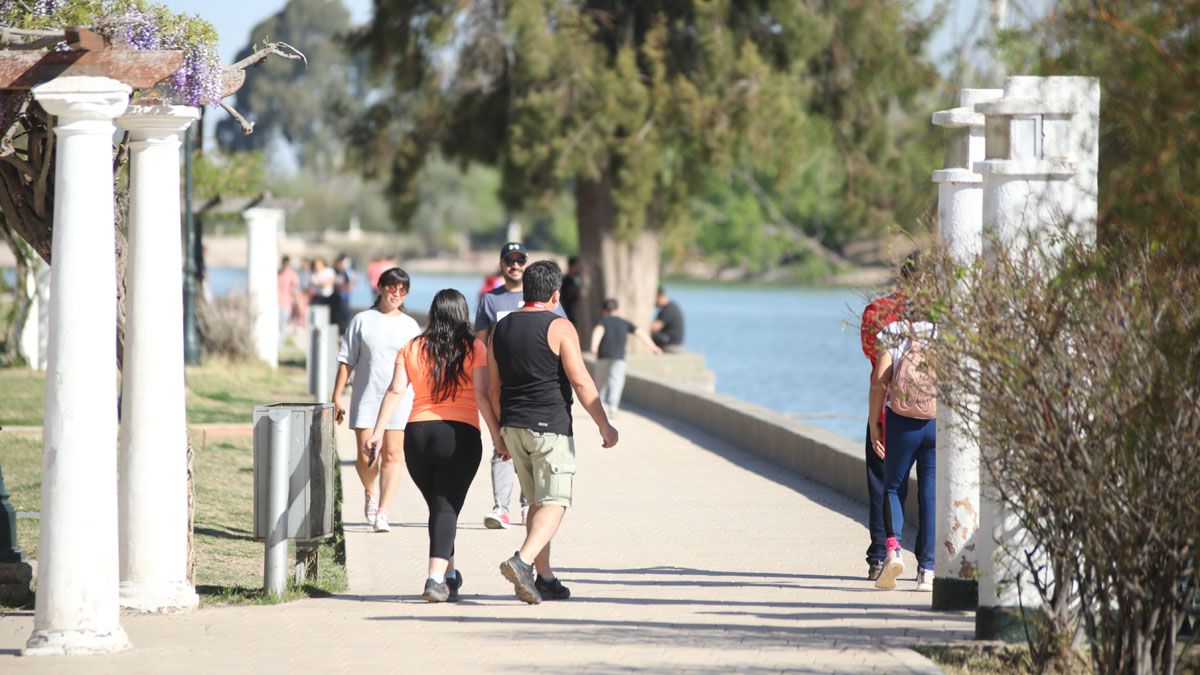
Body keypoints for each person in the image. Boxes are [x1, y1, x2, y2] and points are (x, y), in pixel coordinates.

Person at [488, 260, 618, 604]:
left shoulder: (501, 327)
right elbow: (579, 380)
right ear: (556, 294)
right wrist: (604, 424)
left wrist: (499, 433)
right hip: (549, 428)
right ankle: (521, 561)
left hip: (513, 426)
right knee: (556, 502)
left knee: (535, 502)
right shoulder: (560, 326)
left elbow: (492, 388)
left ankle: (544, 578)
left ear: (526, 290)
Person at [367, 289, 503, 602]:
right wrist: (497, 437)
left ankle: (450, 575)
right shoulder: (474, 347)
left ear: (434, 313)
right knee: (445, 507)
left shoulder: (412, 346)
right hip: (459, 435)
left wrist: (377, 432)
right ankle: (434, 578)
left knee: (442, 508)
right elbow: (482, 396)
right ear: (462, 314)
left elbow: (394, 391)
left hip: (416, 436)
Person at [474, 242, 567, 530]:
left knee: (531, 448)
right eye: (509, 261)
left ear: (526, 264)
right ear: (501, 265)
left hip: (538, 388)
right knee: (501, 444)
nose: (514, 265)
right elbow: (480, 344)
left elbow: (562, 337)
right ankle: (501, 507)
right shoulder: (490, 301)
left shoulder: (545, 299)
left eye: (519, 260)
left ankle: (529, 506)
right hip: (502, 386)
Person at [332, 267, 421, 533]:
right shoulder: (362, 320)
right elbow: (346, 360)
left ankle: (383, 511)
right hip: (367, 397)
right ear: (381, 287)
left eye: (402, 290)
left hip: (400, 400)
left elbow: (418, 365)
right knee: (366, 456)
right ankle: (370, 492)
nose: (397, 294)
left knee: (393, 454)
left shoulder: (410, 325)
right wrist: (336, 395)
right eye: (392, 288)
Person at [869, 291, 937, 592]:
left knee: (894, 487)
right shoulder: (942, 334)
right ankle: (928, 570)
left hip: (901, 421)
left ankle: (894, 549)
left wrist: (874, 423)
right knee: (929, 492)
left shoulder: (893, 332)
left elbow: (880, 382)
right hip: (935, 422)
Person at [859, 265, 913, 582]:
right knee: (929, 486)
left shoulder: (876, 311)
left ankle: (879, 555)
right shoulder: (941, 314)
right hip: (930, 410)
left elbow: (870, 353)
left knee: (880, 483)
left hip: (885, 407)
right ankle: (927, 564)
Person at [590, 298, 661, 418]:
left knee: (600, 382)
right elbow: (640, 333)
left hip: (603, 356)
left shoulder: (603, 320)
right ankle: (613, 407)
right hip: (619, 357)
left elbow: (598, 331)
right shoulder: (625, 322)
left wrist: (594, 346)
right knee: (616, 381)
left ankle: (599, 406)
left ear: (604, 311)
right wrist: (652, 346)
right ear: (617, 310)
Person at [277, 256, 300, 347]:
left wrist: (296, 302)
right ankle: (278, 341)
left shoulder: (292, 275)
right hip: (277, 302)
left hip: (287, 303)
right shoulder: (278, 274)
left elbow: (294, 289)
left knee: (283, 323)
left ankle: (281, 343)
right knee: (278, 323)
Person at [332, 254, 357, 336]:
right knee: (337, 315)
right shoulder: (335, 272)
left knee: (344, 314)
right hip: (336, 297)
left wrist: (342, 288)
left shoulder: (345, 272)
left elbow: (350, 284)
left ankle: (345, 331)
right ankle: (339, 331)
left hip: (343, 297)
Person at [560, 256, 583, 324]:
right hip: (568, 311)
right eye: (577, 265)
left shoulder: (577, 279)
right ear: (572, 266)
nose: (579, 268)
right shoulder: (565, 280)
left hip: (575, 310)